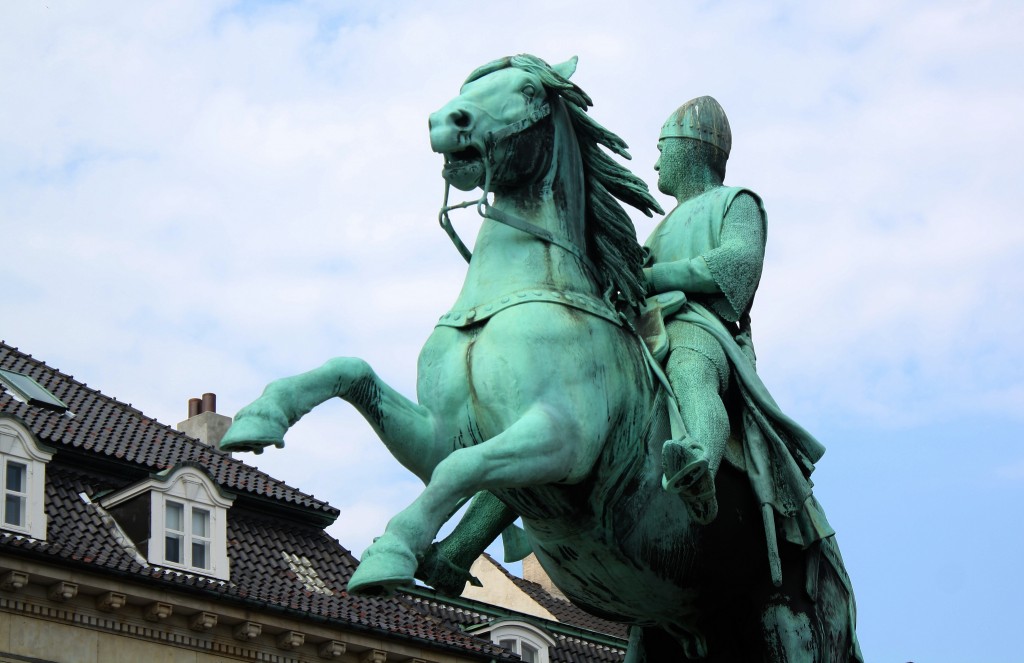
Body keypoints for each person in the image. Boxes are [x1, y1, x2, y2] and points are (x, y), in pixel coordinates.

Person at [643, 96, 767, 525]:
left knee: (689, 368)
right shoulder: (659, 229)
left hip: (703, 328)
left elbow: (738, 263)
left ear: (689, 147)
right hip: (647, 327)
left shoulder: (737, 203)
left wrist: (656, 277)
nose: (656, 163)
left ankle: (698, 466)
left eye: (661, 149)